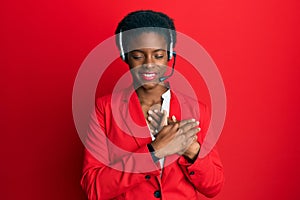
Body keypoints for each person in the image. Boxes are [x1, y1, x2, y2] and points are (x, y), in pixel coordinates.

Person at [81, 10, 224, 200]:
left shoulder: (197, 110)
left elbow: (214, 187)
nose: (148, 64)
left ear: (170, 55)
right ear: (125, 56)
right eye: (138, 56)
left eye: (158, 55)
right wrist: (154, 151)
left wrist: (190, 148)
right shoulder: (105, 109)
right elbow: (93, 188)